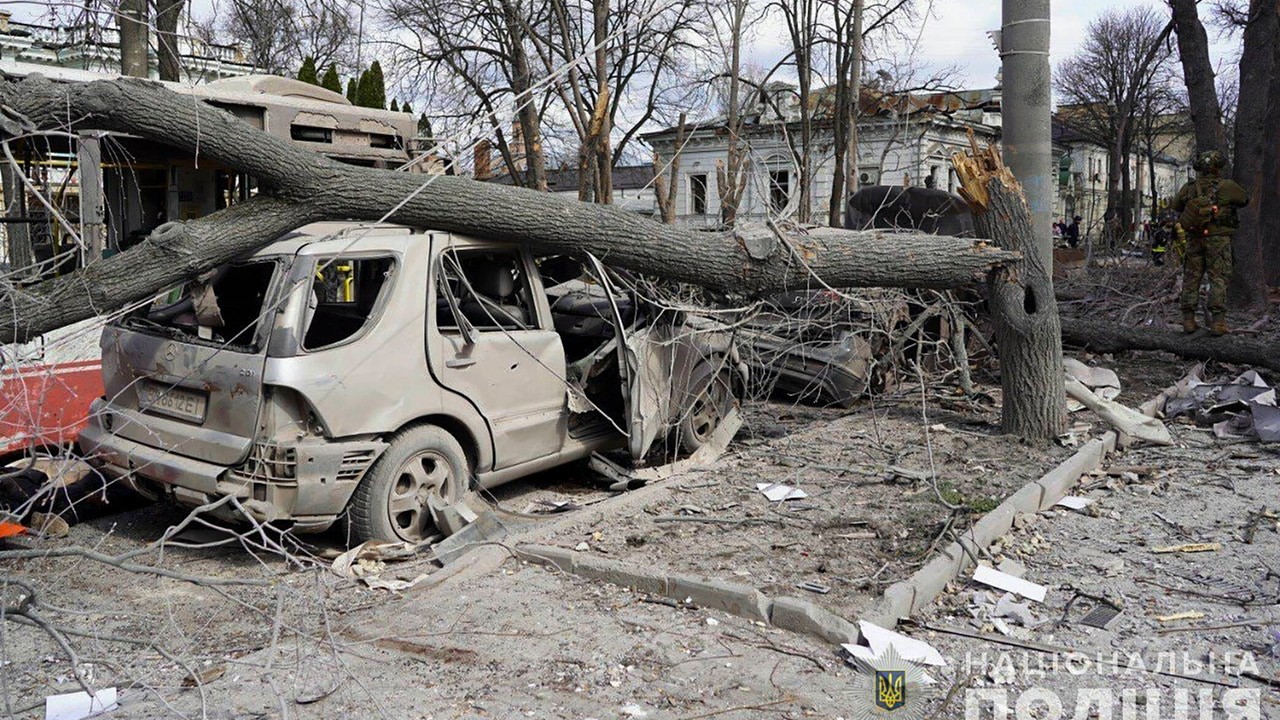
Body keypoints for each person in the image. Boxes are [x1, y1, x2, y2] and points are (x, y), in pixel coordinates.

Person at [1172, 150, 1250, 335]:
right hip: (1218, 240)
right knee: (1218, 278)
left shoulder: (1190, 187)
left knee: (1191, 277)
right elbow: (1244, 199)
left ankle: (1188, 321)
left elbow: (1176, 206)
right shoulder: (1227, 186)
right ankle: (1218, 323)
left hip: (1194, 238)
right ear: (1219, 166)